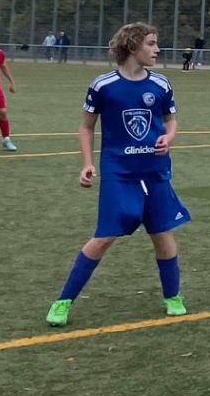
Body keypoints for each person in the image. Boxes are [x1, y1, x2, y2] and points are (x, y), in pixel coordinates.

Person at [46, 23, 189, 327]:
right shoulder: (103, 85)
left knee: (162, 232)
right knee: (105, 235)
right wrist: (87, 163)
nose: (157, 49)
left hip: (155, 171)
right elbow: (86, 127)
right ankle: (63, 301)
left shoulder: (161, 84)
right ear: (132, 46)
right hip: (118, 172)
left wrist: (169, 137)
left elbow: (170, 121)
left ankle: (173, 296)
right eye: (151, 43)